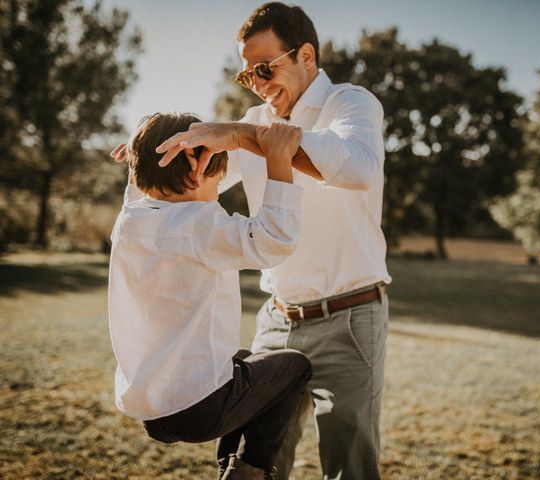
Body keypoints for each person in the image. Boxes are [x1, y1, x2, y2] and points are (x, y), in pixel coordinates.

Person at [114, 3, 391, 478]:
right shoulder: (252, 121)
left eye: (265, 68)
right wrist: (153, 162)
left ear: (306, 55)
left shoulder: (351, 102)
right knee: (259, 465)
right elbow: (198, 188)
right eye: (248, 76)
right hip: (277, 318)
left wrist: (250, 136)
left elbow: (359, 168)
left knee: (348, 464)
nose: (258, 84)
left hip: (350, 315)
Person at [108, 112, 312, 480]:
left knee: (249, 363)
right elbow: (275, 240)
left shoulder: (129, 222)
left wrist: (142, 156)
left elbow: (142, 190)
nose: (217, 190)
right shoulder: (199, 224)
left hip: (152, 412)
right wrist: (279, 160)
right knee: (296, 367)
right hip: (201, 407)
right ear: (193, 166)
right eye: (218, 180)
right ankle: (250, 469)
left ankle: (230, 469)